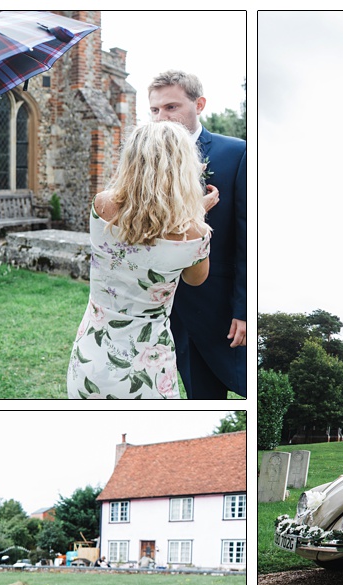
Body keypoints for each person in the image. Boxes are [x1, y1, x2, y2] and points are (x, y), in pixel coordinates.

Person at [69, 122, 213, 399]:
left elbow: (140, 228)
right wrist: (198, 213)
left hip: (89, 362)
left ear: (131, 160)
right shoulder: (195, 233)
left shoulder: (102, 205)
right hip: (148, 373)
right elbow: (195, 279)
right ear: (183, 168)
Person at [149, 70, 247, 400]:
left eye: (171, 107)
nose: (162, 118)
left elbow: (247, 239)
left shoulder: (236, 154)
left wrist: (244, 309)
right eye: (155, 111)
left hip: (221, 308)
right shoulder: (145, 162)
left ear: (199, 104)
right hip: (168, 310)